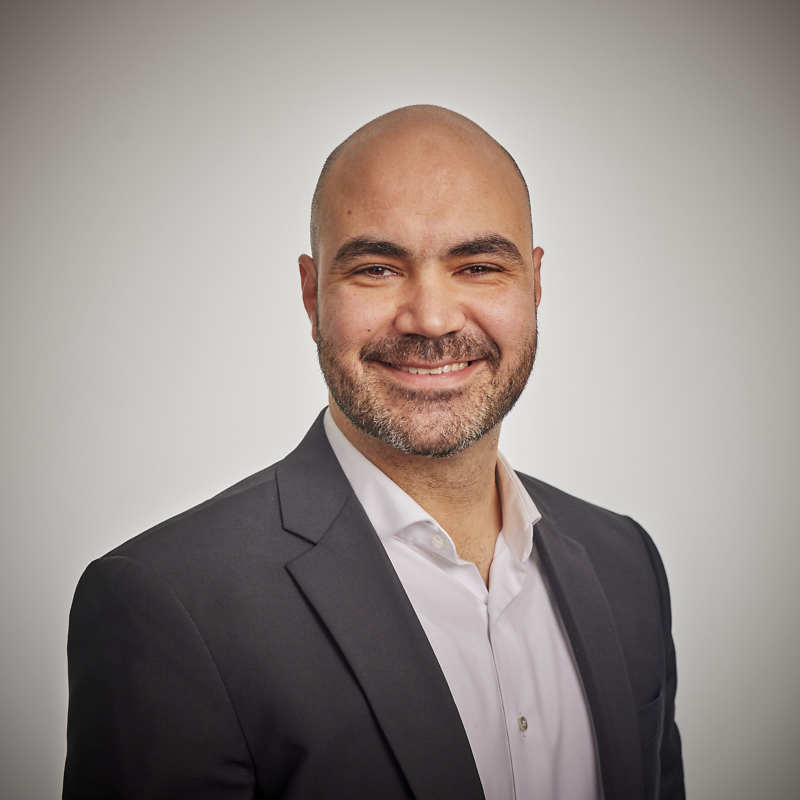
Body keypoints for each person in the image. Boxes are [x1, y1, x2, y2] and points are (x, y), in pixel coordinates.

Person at [63, 105, 684, 799]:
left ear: (534, 285)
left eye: (479, 266)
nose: (432, 319)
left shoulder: (626, 564)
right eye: (378, 268)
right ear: (311, 295)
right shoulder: (168, 603)